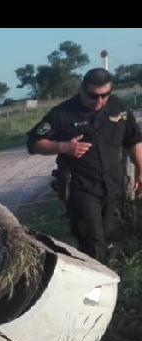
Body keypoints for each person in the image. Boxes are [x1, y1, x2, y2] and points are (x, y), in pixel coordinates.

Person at [27, 68, 142, 264]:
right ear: (82, 89)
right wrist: (62, 146)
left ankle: (109, 282)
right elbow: (33, 143)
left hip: (113, 186)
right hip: (81, 188)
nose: (99, 101)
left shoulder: (118, 108)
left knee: (110, 238)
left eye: (105, 95)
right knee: (93, 243)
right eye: (93, 96)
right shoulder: (62, 113)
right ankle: (96, 288)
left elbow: (133, 140)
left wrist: (141, 170)